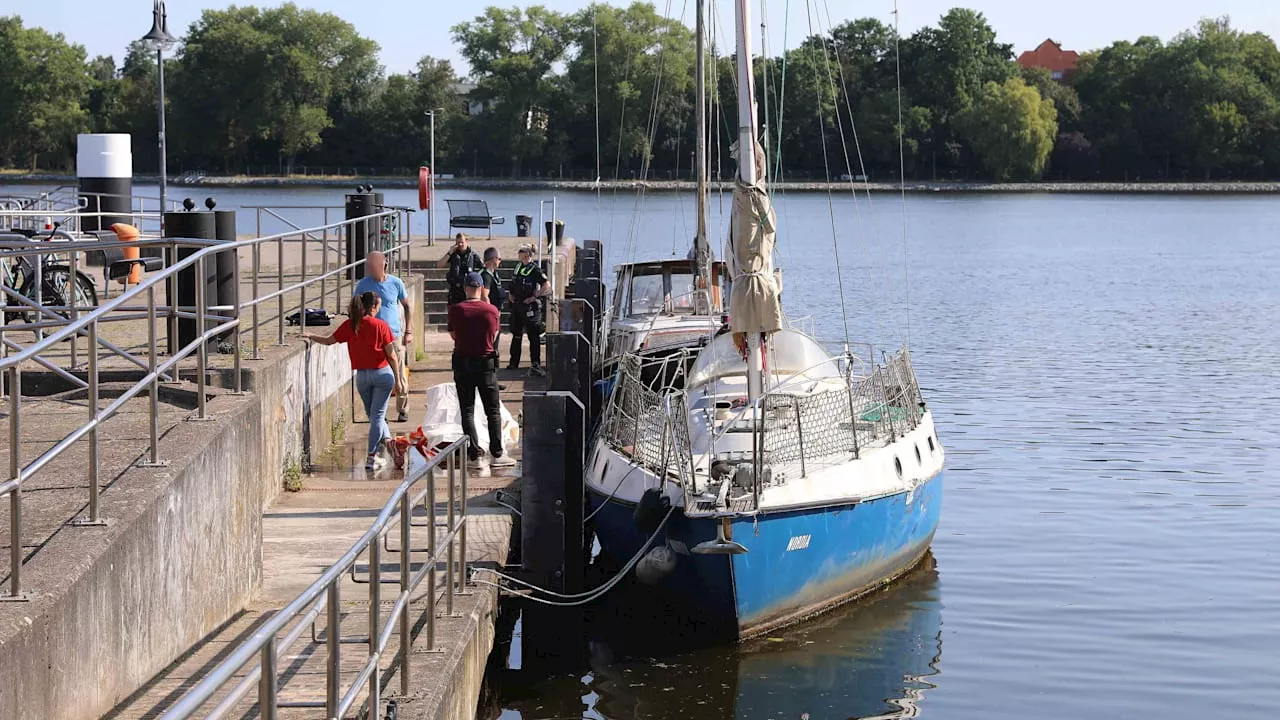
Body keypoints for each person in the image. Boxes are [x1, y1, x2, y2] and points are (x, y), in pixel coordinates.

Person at [305, 292, 404, 472]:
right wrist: (399, 380)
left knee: (375, 417)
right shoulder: (381, 325)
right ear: (373, 307)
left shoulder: (351, 325)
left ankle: (384, 447)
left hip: (362, 377)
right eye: (379, 305)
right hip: (383, 375)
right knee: (377, 417)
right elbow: (392, 355)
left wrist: (311, 335)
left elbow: (329, 342)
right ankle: (376, 455)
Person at [448, 272, 516, 469]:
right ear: (481, 288)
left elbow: (453, 335)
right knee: (492, 411)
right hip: (486, 364)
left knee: (467, 410)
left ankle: (475, 456)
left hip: (462, 363)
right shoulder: (492, 311)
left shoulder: (455, 310)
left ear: (465, 288)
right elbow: (494, 334)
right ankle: (497, 454)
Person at [354, 251, 412, 422]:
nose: (370, 268)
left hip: (393, 335)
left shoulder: (396, 283)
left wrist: (408, 331)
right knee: (378, 377)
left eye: (373, 265)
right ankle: (379, 412)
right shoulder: (363, 285)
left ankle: (403, 409)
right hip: (372, 339)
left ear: (383, 264)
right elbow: (354, 307)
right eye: (368, 265)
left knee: (399, 373)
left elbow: (407, 306)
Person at [506, 245, 551, 376]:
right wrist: (510, 294)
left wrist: (535, 296)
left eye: (521, 252)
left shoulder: (535, 269)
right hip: (517, 305)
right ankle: (514, 362)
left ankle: (535, 363)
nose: (518, 254)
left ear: (527, 255)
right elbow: (513, 283)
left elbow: (546, 284)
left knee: (533, 336)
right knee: (516, 334)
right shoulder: (519, 267)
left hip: (529, 306)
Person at [436, 233, 483, 306]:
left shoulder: (473, 256)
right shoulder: (453, 254)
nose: (460, 245)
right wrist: (450, 252)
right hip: (455, 291)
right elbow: (439, 265)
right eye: (458, 243)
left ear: (467, 241)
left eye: (462, 242)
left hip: (468, 292)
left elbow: (484, 268)